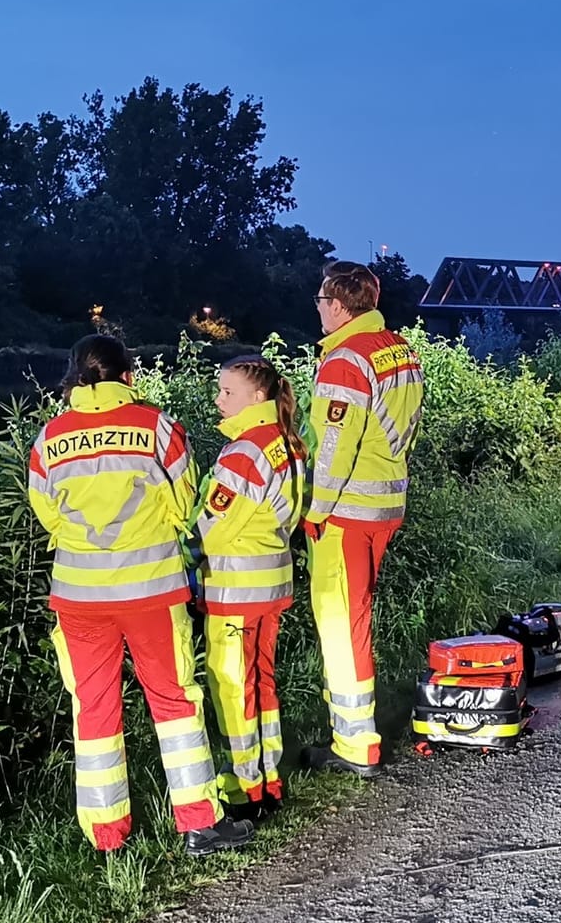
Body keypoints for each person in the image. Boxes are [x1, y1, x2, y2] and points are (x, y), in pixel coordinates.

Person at [27, 335, 253, 856]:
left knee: (94, 710)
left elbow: (50, 518)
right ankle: (198, 823)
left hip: (80, 597)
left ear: (75, 378)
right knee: (175, 702)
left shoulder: (49, 439)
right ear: (128, 376)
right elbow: (182, 506)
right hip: (151, 592)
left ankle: (108, 837)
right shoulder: (158, 429)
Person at [303, 261, 425, 778]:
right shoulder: (400, 349)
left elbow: (333, 450)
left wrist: (313, 511)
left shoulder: (344, 362)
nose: (318, 310)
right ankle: (354, 735)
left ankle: (356, 745)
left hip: (346, 512)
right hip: (386, 503)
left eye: (320, 301)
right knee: (354, 618)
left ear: (336, 304)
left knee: (342, 625)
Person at [197, 356, 307, 820]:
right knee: (261, 683)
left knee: (233, 689)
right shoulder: (286, 442)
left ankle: (247, 790)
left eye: (227, 392)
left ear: (256, 397)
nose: (218, 400)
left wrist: (184, 546)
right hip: (272, 580)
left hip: (236, 588)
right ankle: (269, 777)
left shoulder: (244, 452)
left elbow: (214, 527)